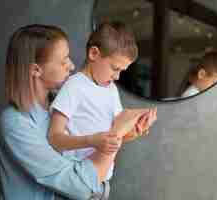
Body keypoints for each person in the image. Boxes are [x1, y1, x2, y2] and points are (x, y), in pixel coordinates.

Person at [0, 24, 144, 200]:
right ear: (36, 70)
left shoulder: (61, 108)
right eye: (64, 60)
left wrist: (125, 134)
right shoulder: (15, 123)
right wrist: (116, 133)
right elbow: (79, 188)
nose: (72, 66)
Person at [48, 22, 157, 199]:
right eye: (115, 68)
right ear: (94, 53)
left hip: (102, 184)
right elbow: (54, 138)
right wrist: (92, 140)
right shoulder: (74, 86)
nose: (117, 76)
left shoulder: (111, 89)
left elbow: (112, 137)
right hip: (77, 182)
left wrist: (134, 131)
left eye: (122, 71)